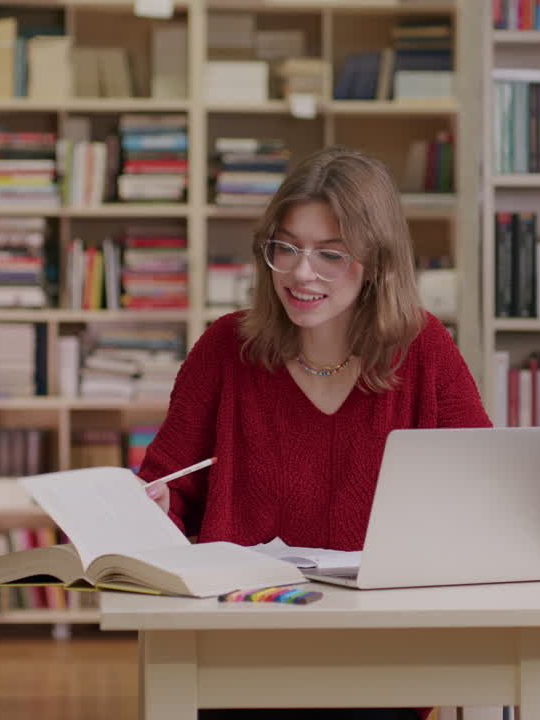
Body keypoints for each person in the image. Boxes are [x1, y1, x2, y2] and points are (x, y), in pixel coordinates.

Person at [134, 146, 492, 719]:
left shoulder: (423, 349)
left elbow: (482, 495)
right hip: (239, 644)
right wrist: (152, 506)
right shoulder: (226, 348)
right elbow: (169, 487)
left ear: (376, 262)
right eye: (287, 248)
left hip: (385, 646)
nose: (302, 273)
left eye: (331, 254)